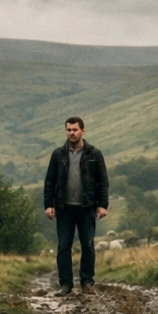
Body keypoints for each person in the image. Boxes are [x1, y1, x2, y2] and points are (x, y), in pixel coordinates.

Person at [42, 117, 109, 296]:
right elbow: (50, 181)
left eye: (75, 130)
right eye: (69, 130)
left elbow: (103, 182)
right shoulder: (58, 154)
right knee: (64, 247)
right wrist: (48, 204)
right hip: (64, 208)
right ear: (65, 131)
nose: (72, 133)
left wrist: (103, 205)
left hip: (87, 207)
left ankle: (87, 282)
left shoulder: (94, 153)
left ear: (83, 131)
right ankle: (66, 285)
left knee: (87, 246)